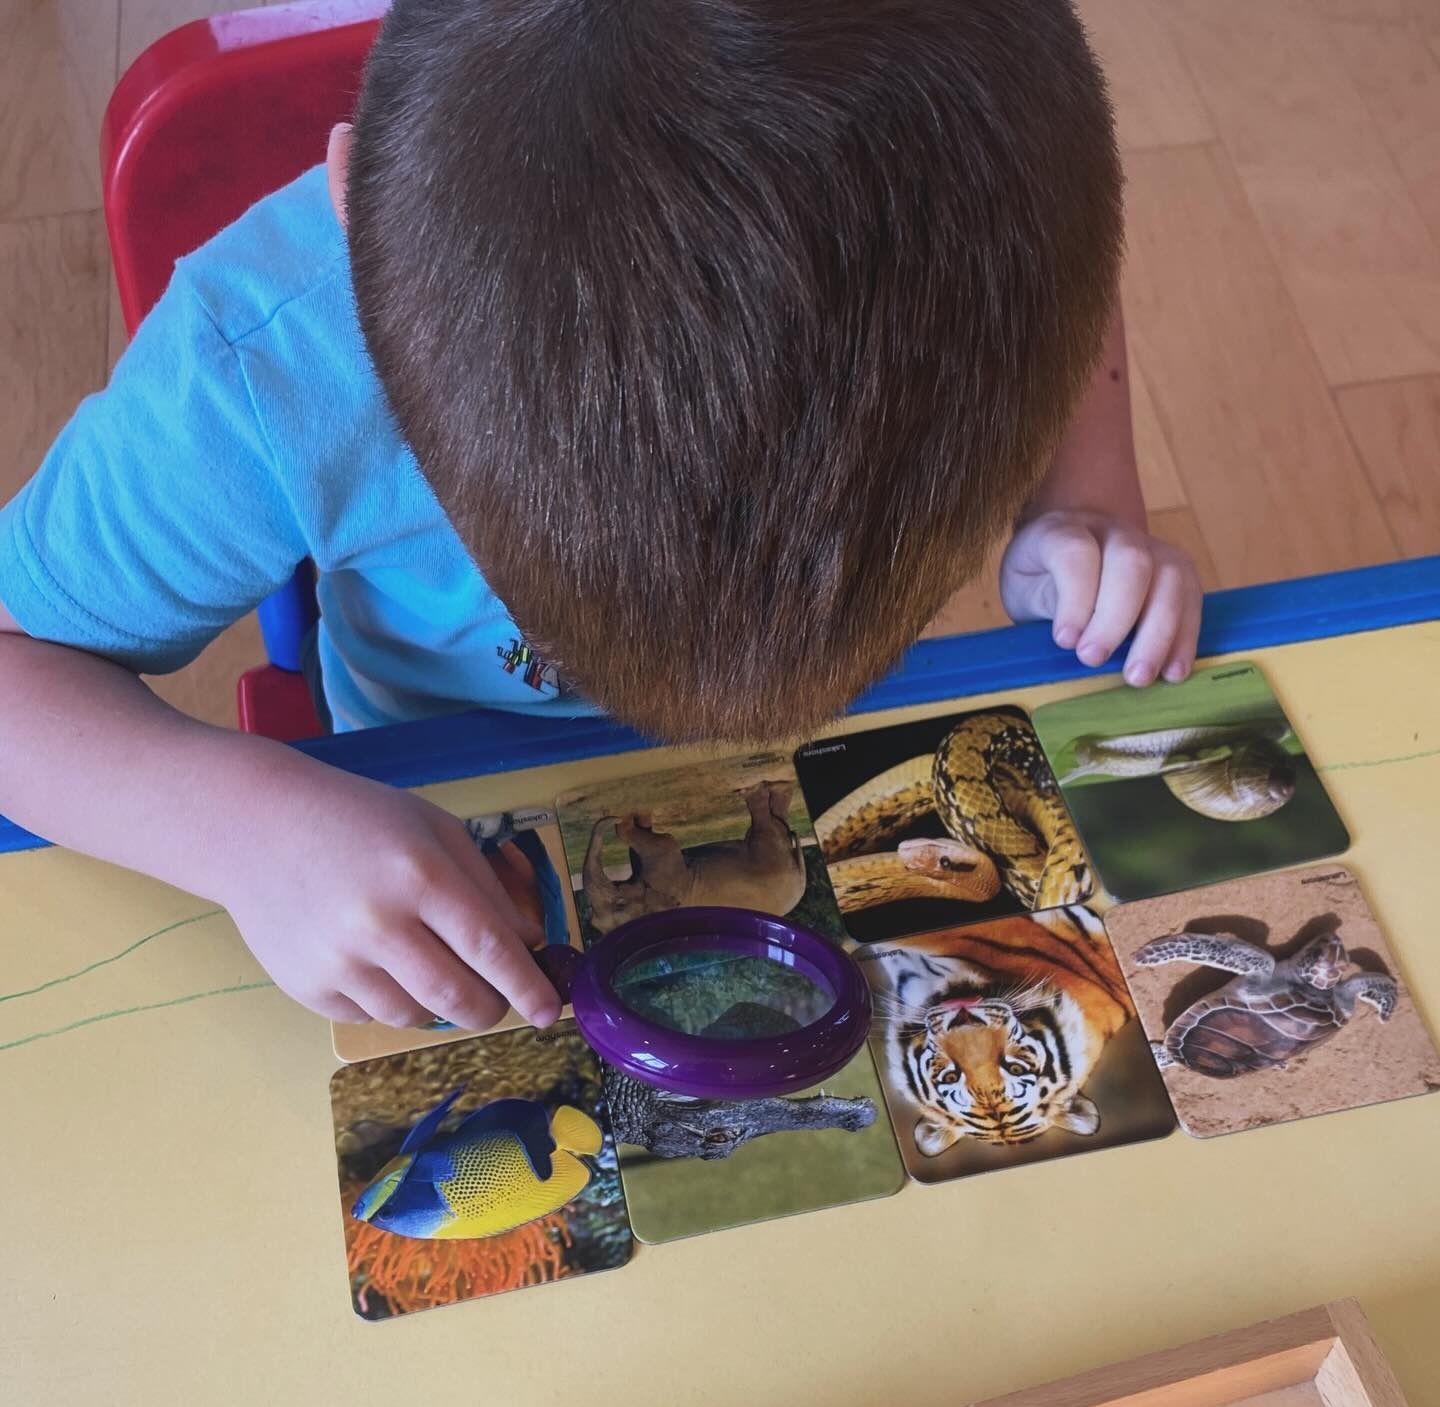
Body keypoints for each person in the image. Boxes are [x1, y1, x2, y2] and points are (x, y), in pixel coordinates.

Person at [0, 0, 1199, 1036]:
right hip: (442, 804)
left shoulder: (987, 221)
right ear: (356, 211)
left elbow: (1071, 286)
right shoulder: (265, 362)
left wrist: (1081, 509)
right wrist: (241, 833)